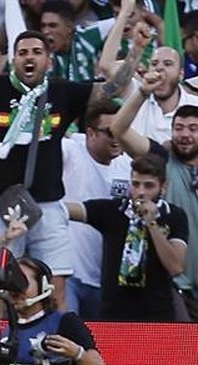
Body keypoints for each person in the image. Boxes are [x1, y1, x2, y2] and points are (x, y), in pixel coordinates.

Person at [0, 8, 148, 311]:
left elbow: (111, 89)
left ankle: (60, 352)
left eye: (37, 51)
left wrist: (136, 51)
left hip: (48, 206)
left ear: (49, 60)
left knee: (56, 288)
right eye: (22, 52)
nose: (29, 57)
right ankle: (2, 351)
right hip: (0, 204)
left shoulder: (63, 92)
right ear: (14, 59)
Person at [111, 76, 198, 320]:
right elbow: (118, 129)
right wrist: (142, 92)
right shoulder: (163, 159)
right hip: (176, 286)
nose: (185, 135)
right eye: (179, 128)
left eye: (193, 128)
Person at [65, 154, 189, 321]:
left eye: (149, 186)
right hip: (113, 314)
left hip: (157, 315)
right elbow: (67, 210)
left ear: (163, 186)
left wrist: (152, 224)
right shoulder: (113, 210)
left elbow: (175, 267)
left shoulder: (174, 216)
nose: (141, 192)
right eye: (136, 184)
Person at [61, 101, 132, 320]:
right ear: (90, 133)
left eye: (122, 131)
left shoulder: (128, 166)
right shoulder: (71, 150)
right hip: (70, 273)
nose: (116, 137)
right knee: (67, 337)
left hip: (106, 279)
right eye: (110, 132)